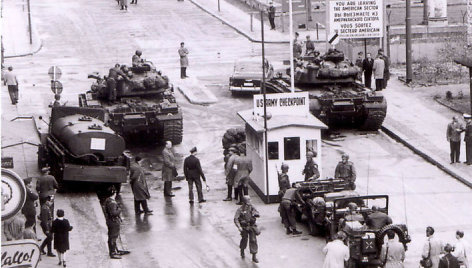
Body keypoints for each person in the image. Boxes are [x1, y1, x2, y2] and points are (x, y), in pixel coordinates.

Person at [104, 187, 130, 259]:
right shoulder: (112, 203)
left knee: (114, 236)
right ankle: (113, 253)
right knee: (113, 237)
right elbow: (114, 213)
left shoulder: (108, 200)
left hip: (111, 221)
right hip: (113, 221)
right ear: (113, 193)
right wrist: (119, 209)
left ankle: (115, 250)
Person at [234, 196, 260, 263]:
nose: (250, 201)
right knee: (244, 239)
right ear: (245, 202)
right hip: (244, 227)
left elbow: (257, 213)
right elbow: (236, 219)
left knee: (253, 240)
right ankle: (242, 250)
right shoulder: (240, 209)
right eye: (249, 200)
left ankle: (254, 256)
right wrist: (239, 227)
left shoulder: (252, 207)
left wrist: (255, 214)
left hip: (251, 226)